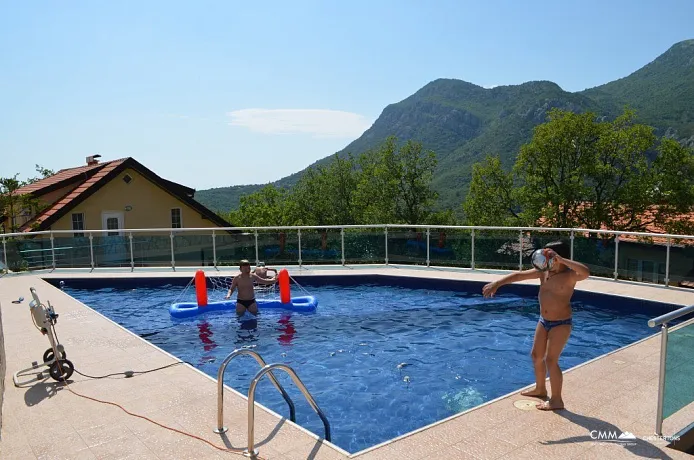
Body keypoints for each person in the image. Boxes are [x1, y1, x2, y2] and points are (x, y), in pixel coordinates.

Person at [482, 240, 590, 411]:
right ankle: (540, 389)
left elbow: (586, 272)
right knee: (536, 355)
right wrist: (498, 283)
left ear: (558, 259)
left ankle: (557, 400)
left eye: (549, 259)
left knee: (551, 360)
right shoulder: (544, 273)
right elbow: (519, 275)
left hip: (561, 324)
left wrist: (562, 259)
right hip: (544, 321)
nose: (545, 263)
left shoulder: (570, 275)